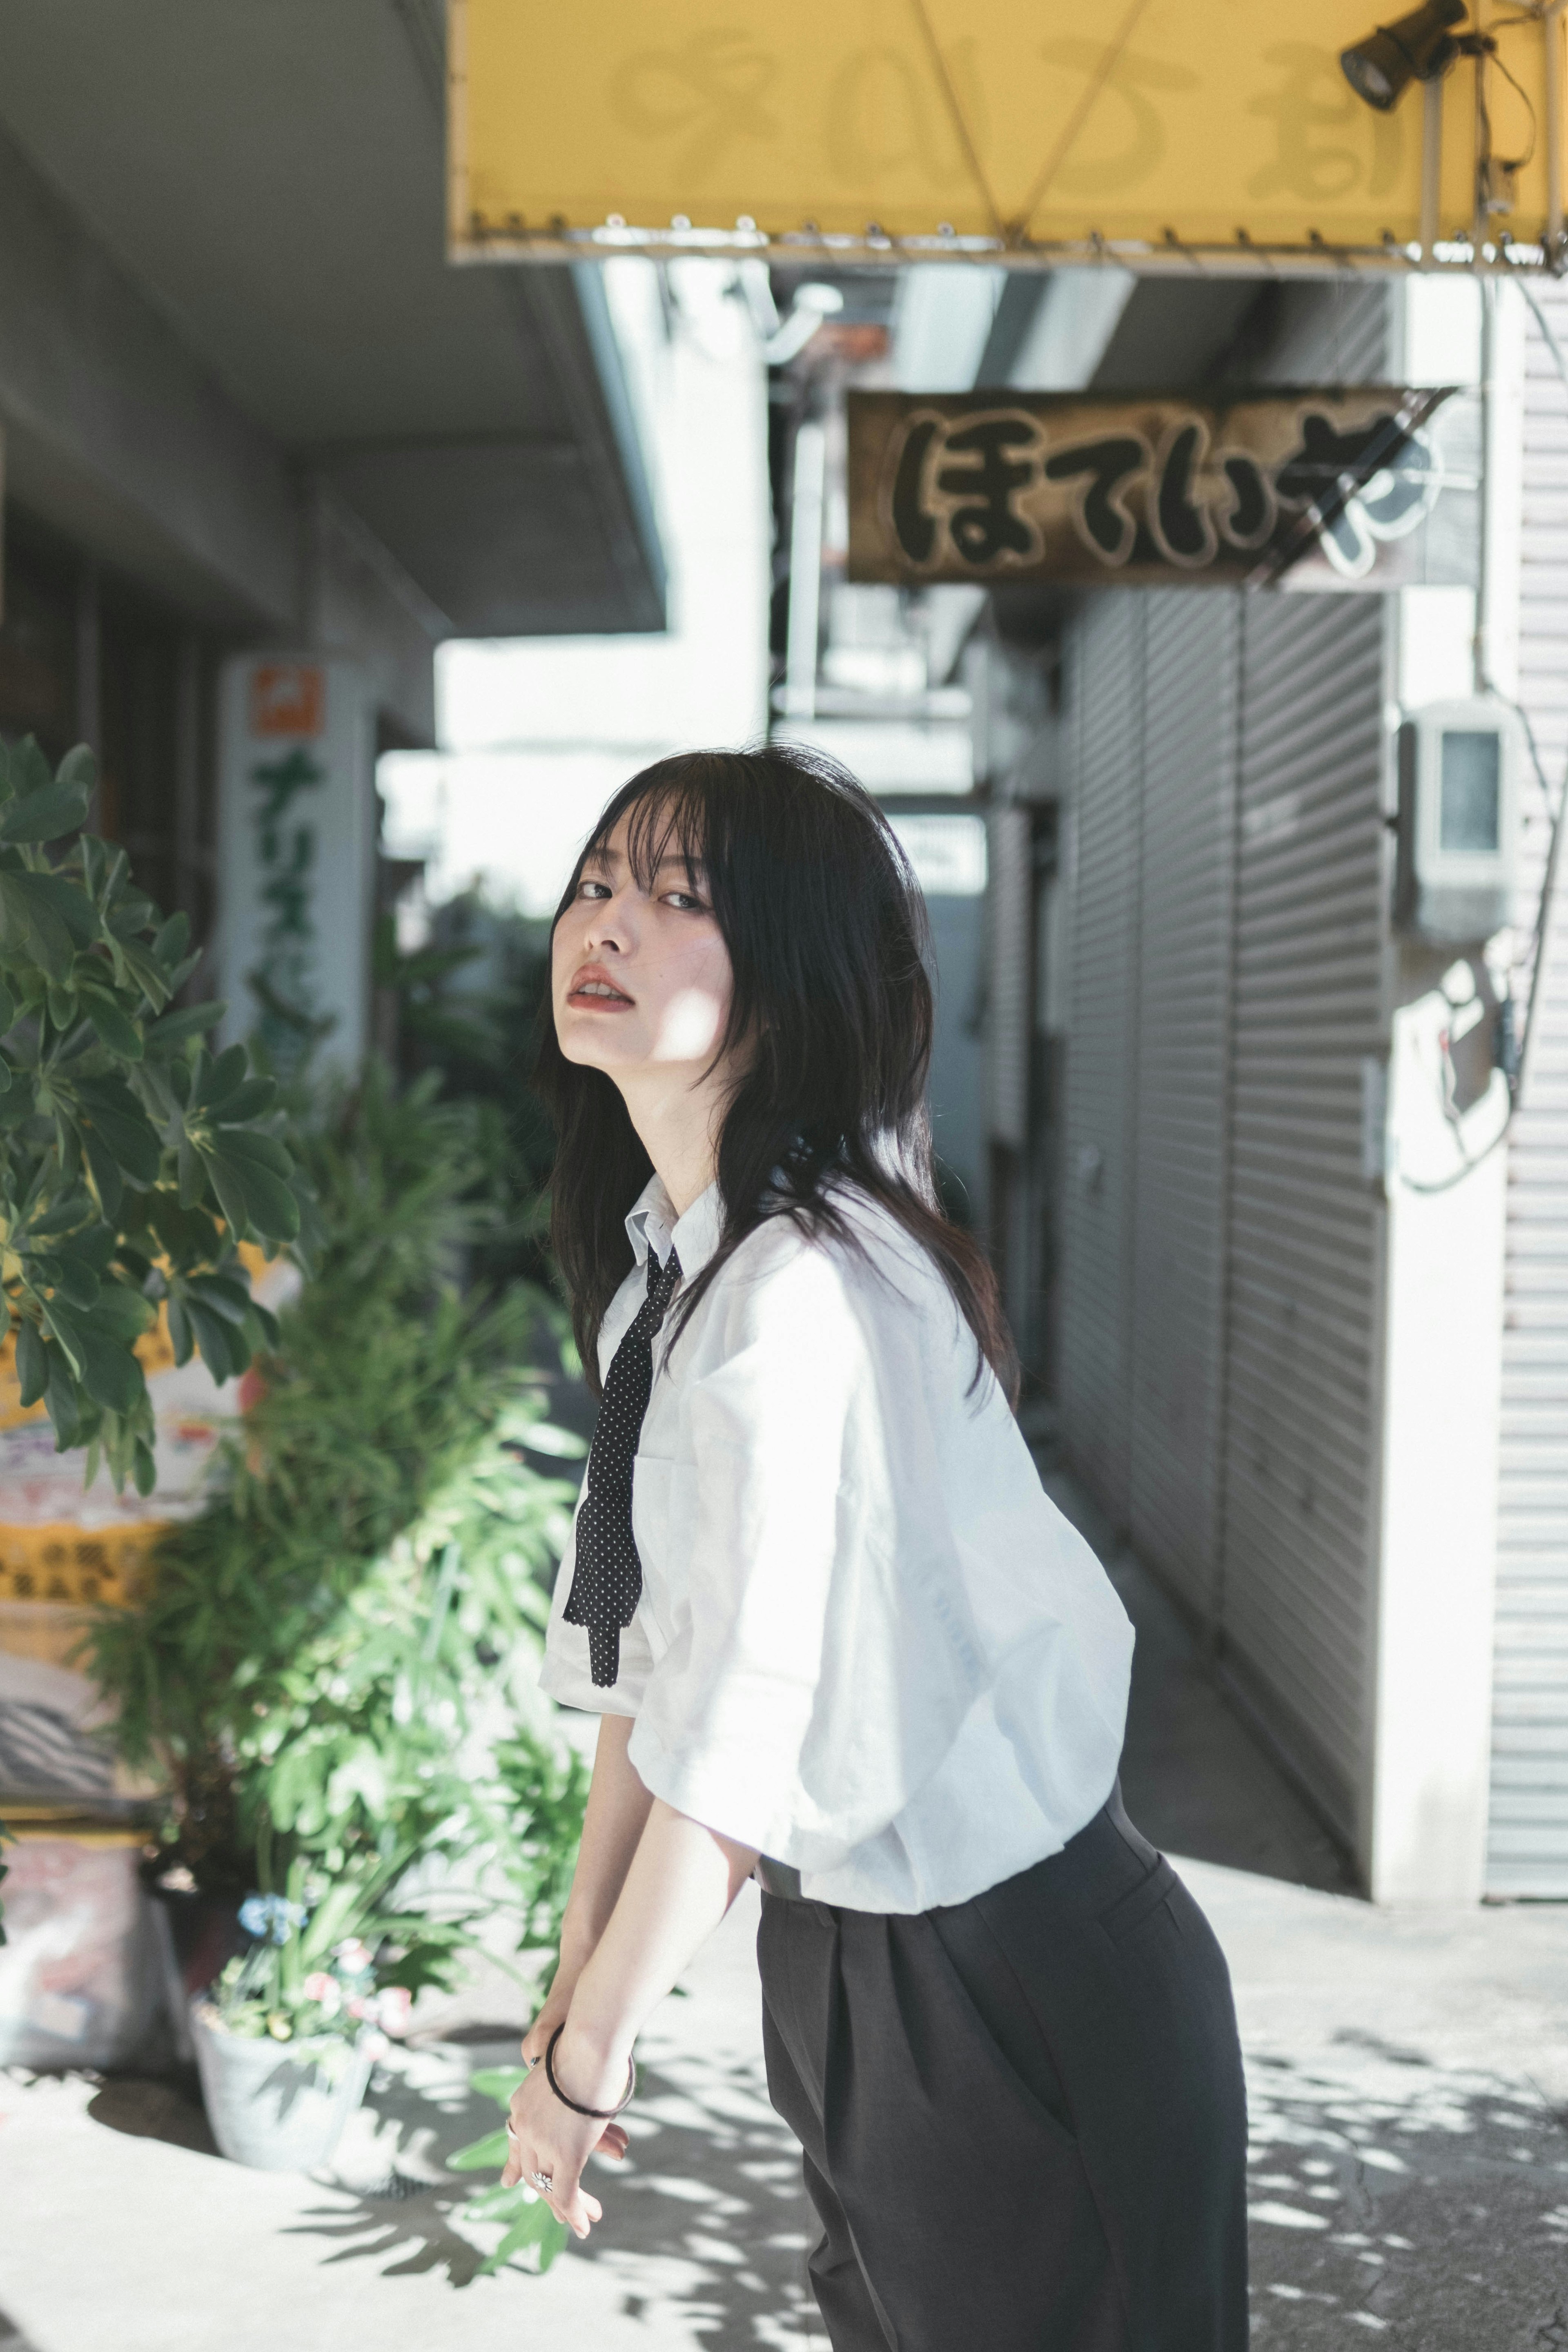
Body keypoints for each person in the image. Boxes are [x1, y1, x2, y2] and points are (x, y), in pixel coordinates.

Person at [501, 744, 1249, 2350]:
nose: (606, 927)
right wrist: (575, 1983)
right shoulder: (674, 1280)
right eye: (597, 883)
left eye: (678, 897)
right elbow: (659, 1677)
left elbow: (744, 1743)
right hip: (859, 1966)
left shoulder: (809, 1296)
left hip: (1013, 1968)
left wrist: (589, 2062)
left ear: (792, 977)